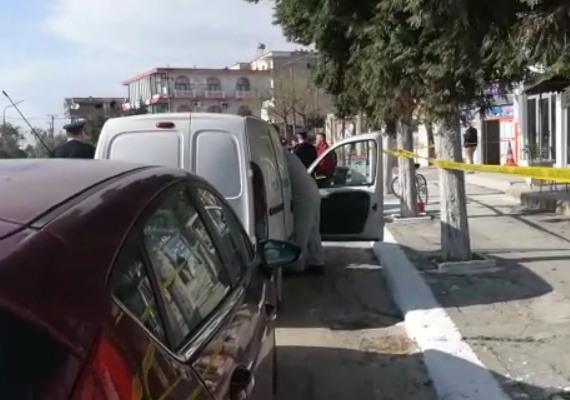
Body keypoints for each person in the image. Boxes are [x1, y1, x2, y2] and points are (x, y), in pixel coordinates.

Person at [284, 150, 325, 274]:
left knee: (300, 233)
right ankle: (317, 261)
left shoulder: (281, 157)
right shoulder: (289, 156)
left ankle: (296, 266)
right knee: (312, 231)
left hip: (303, 197)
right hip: (311, 191)